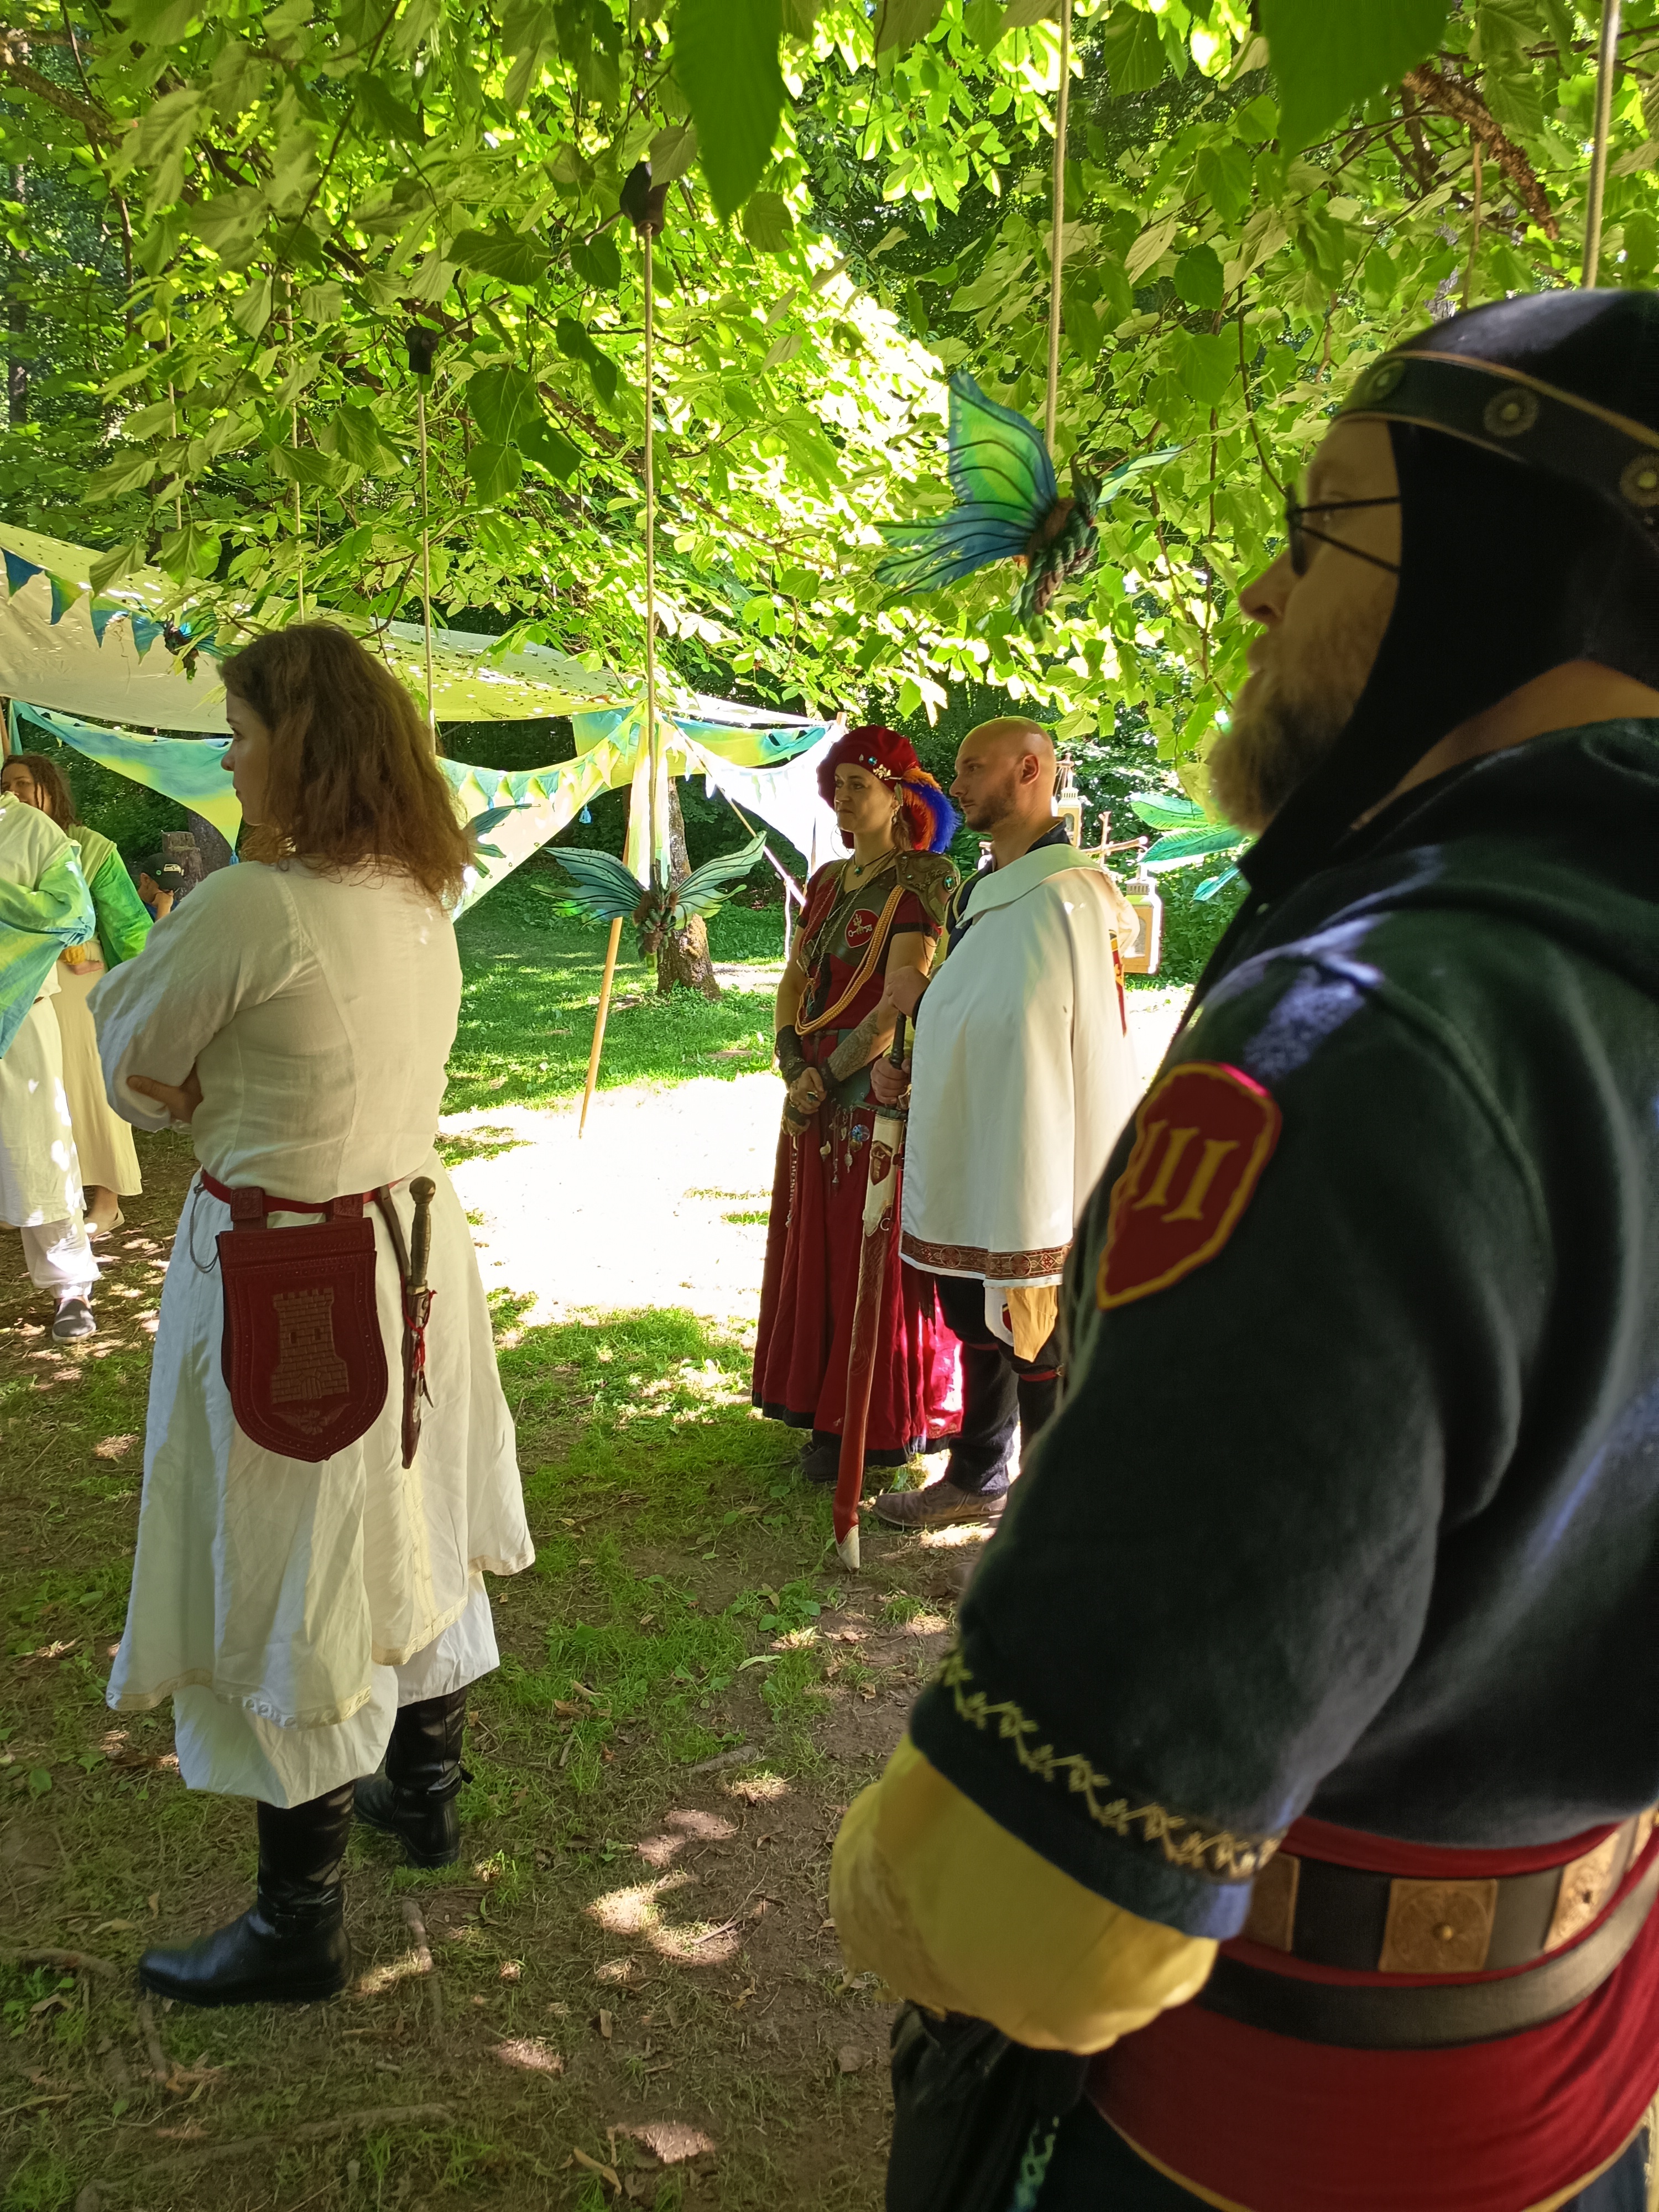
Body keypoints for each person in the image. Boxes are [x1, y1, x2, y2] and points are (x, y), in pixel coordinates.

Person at [831, 288, 1659, 2212]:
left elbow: (1039, 1919)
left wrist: (894, 1876)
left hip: (1265, 2130)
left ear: (1506, 560)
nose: (1264, 598)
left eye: (1320, 529)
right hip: (1580, 2076)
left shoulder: (1376, 1038)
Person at [93, 622, 534, 2007]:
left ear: (302, 745)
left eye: (239, 732)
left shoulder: (255, 906)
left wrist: (187, 1083)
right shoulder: (418, 892)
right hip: (409, 1248)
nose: (225, 757)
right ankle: (427, 1788)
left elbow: (132, 1056)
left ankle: (300, 1922)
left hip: (292, 1266)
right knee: (410, 1502)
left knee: (293, 1547)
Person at [865, 718, 1140, 1531]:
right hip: (981, 1131)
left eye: (974, 767)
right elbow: (987, 1014)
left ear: (1029, 771)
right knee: (971, 1305)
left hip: (1037, 1145)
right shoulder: (989, 891)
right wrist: (919, 1058)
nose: (957, 785)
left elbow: (1044, 1030)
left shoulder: (1067, 896)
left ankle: (1046, 1508)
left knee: (1033, 1323)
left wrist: (931, 1008)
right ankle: (978, 1471)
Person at [752, 724, 960, 1484]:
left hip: (870, 1088)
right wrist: (792, 1064)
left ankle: (873, 1421)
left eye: (859, 785)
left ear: (898, 795)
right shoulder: (827, 880)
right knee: (815, 1244)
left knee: (863, 1245)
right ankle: (819, 1407)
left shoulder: (926, 878)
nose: (843, 797)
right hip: (810, 1083)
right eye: (837, 784)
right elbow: (794, 980)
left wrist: (828, 1076)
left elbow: (897, 1000)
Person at [1, 753, 152, 1233]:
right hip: (23, 988)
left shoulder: (93, 847)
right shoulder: (7, 842)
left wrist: (140, 991)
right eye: (5, 785)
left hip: (83, 985)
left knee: (90, 1086)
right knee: (39, 1093)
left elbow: (130, 927)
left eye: (23, 784)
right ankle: (36, 1195)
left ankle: (107, 1200)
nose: (13, 793)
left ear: (50, 788)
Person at [0, 782, 99, 1339]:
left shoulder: (32, 829)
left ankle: (71, 1287)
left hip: (20, 1012)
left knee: (36, 1146)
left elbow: (73, 914)